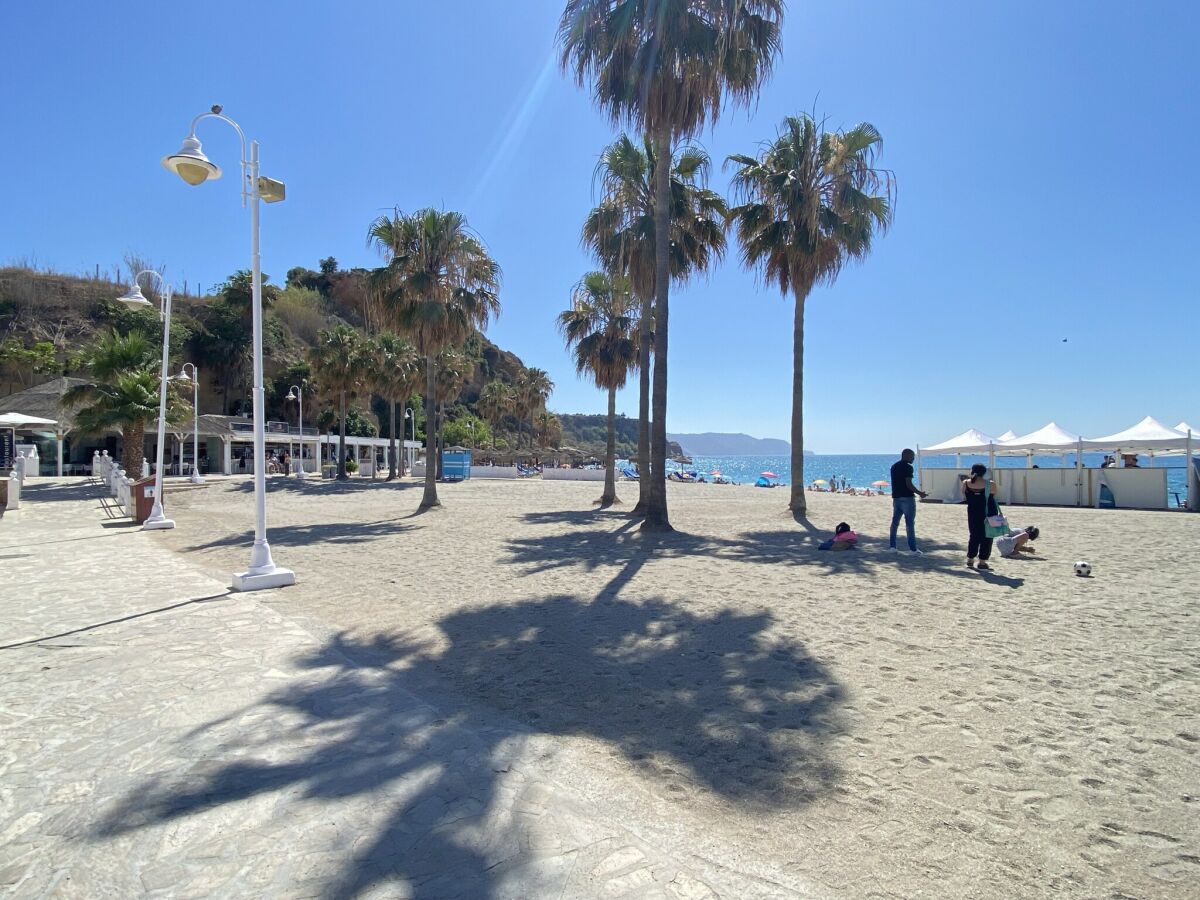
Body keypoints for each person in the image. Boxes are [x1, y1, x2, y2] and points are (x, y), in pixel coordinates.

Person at [889, 448, 928, 553]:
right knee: (909, 524)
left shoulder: (894, 466)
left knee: (895, 522)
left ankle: (892, 546)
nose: (913, 458)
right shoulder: (908, 467)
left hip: (896, 497)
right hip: (907, 498)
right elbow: (908, 484)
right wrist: (920, 493)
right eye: (912, 456)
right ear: (906, 456)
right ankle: (913, 549)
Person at [962, 463, 997, 569]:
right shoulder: (990, 484)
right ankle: (982, 561)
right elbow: (994, 495)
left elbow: (964, 495)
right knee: (987, 536)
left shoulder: (966, 483)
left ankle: (970, 559)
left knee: (974, 535)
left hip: (973, 512)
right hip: (988, 512)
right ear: (984, 472)